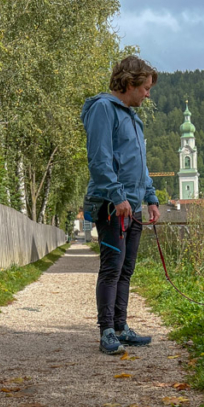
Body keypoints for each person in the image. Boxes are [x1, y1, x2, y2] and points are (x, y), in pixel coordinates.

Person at [81, 55, 161, 355]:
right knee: (112, 267)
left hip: (134, 206)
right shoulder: (103, 109)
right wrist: (117, 196)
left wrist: (150, 197)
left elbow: (139, 166)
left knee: (126, 269)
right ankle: (106, 332)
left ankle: (120, 326)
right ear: (129, 83)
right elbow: (99, 160)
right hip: (112, 205)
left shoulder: (133, 117)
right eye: (146, 88)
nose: (148, 94)